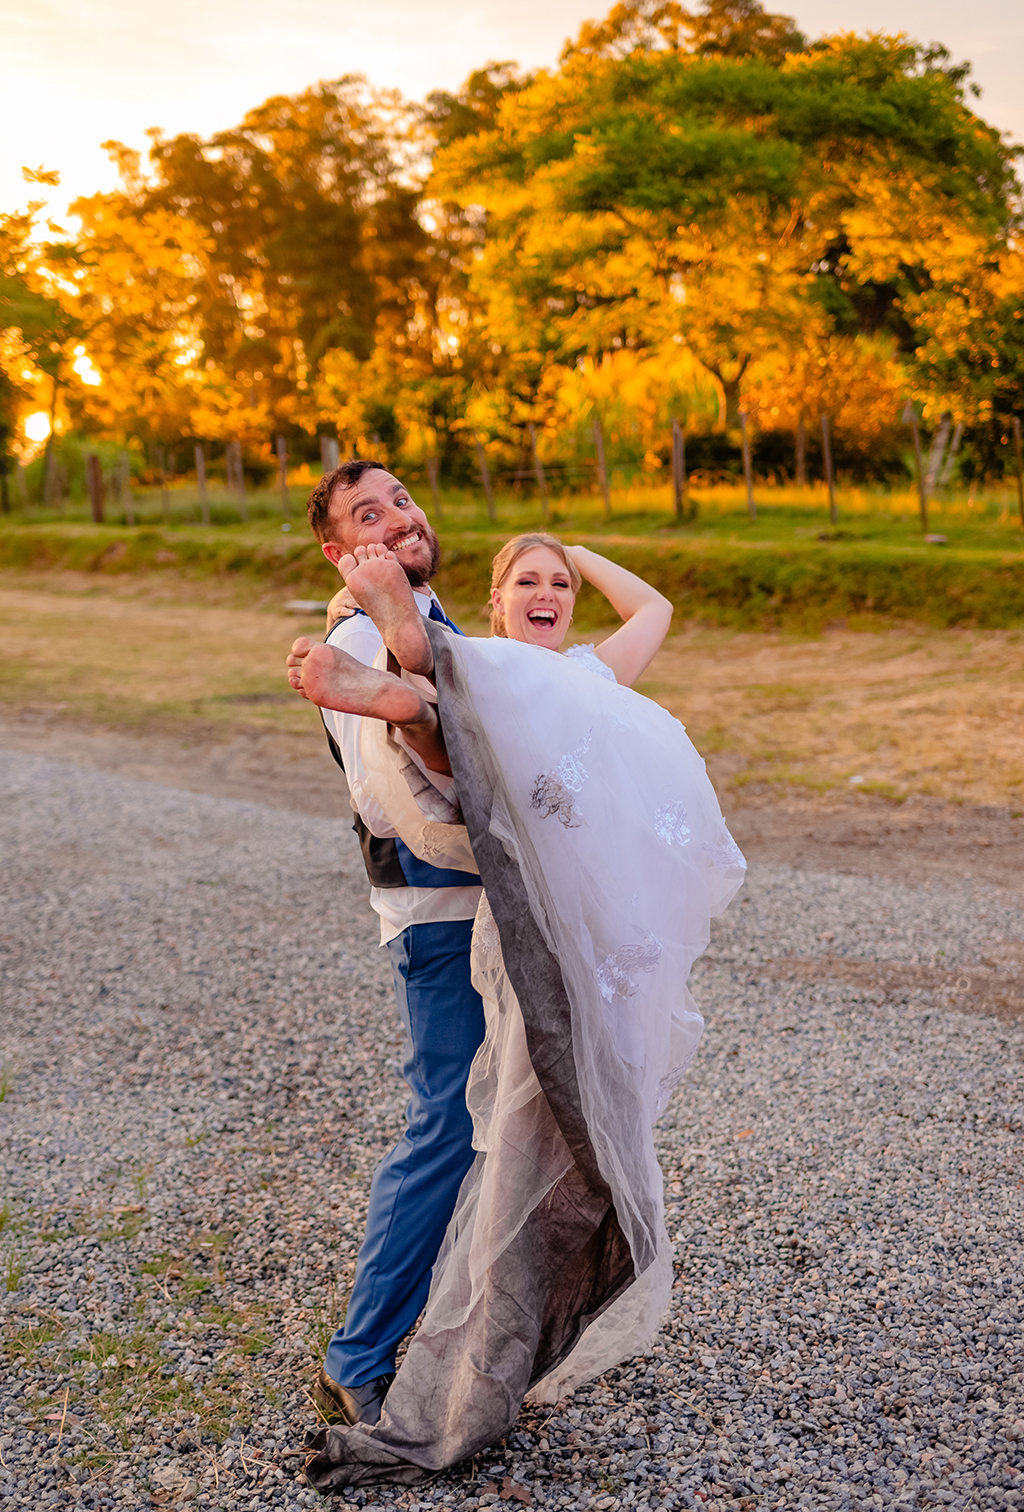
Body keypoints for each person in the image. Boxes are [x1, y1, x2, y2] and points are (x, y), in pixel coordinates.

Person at [290, 524, 747, 1488]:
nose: (546, 593)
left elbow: (655, 610)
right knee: (517, 1140)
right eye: (524, 582)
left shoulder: (583, 672)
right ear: (495, 601)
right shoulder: (488, 660)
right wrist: (395, 656)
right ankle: (472, 1357)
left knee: (591, 1142)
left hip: (607, 952)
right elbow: (439, 685)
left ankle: (529, 1332)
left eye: (557, 586)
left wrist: (574, 555)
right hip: (529, 922)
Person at [290, 460, 485, 1431]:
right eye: (369, 515)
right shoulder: (357, 635)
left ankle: (484, 1334)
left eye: (403, 498)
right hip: (442, 919)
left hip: (484, 909)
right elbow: (397, 801)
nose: (400, 516)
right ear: (338, 552)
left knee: (507, 1126)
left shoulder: (425, 610)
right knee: (446, 1130)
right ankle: (356, 1361)